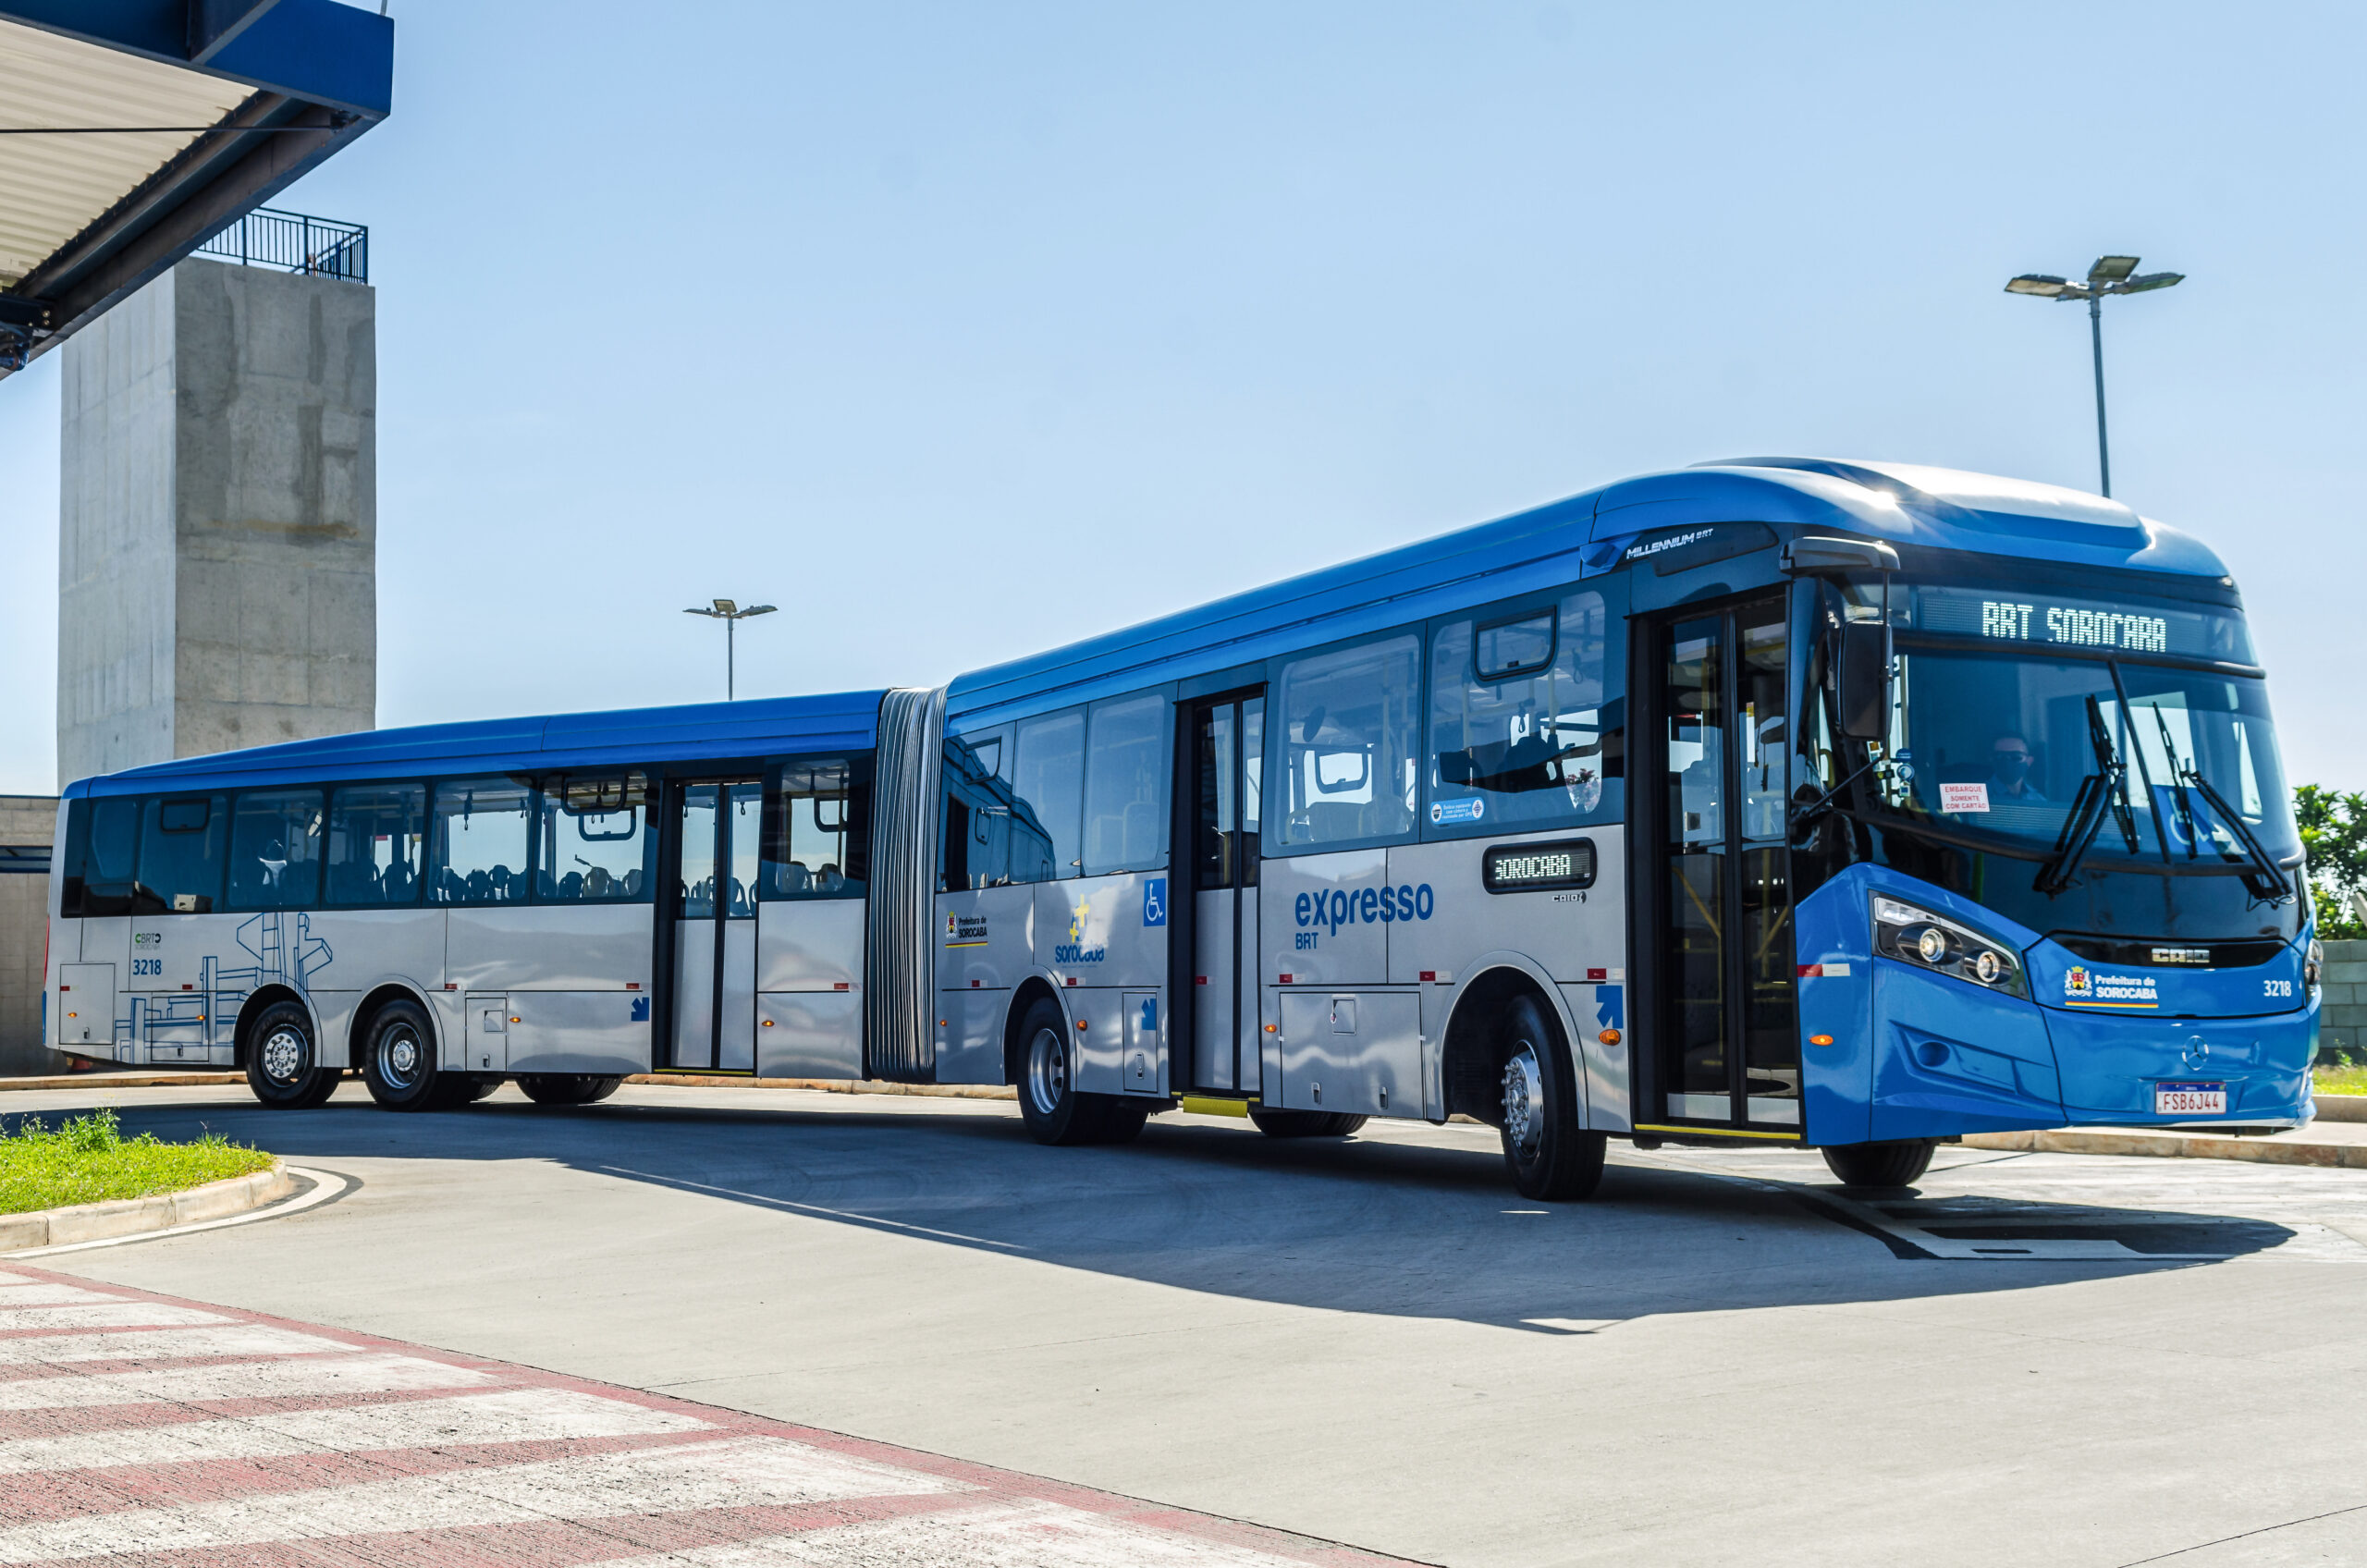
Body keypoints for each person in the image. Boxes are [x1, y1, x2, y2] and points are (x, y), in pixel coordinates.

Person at [1988, 735, 2047, 802]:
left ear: (2029, 761)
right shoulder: (1980, 796)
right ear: (1991, 759)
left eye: (2016, 756)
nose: (2007, 762)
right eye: (1999, 756)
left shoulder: (2038, 800)